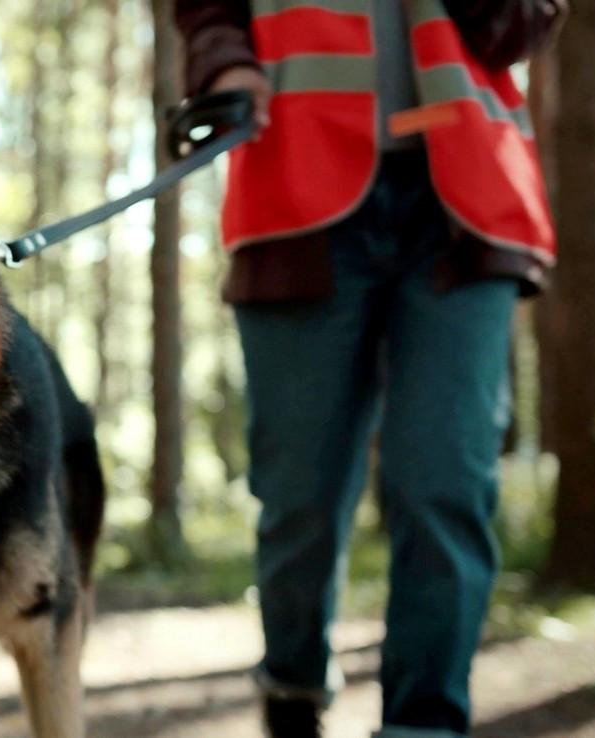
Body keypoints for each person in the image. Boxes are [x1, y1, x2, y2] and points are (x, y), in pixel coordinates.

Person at [174, 0, 562, 736]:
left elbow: (525, 25)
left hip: (465, 207)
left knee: (444, 478)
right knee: (300, 494)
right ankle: (291, 687)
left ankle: (422, 722)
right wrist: (224, 62)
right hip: (296, 199)